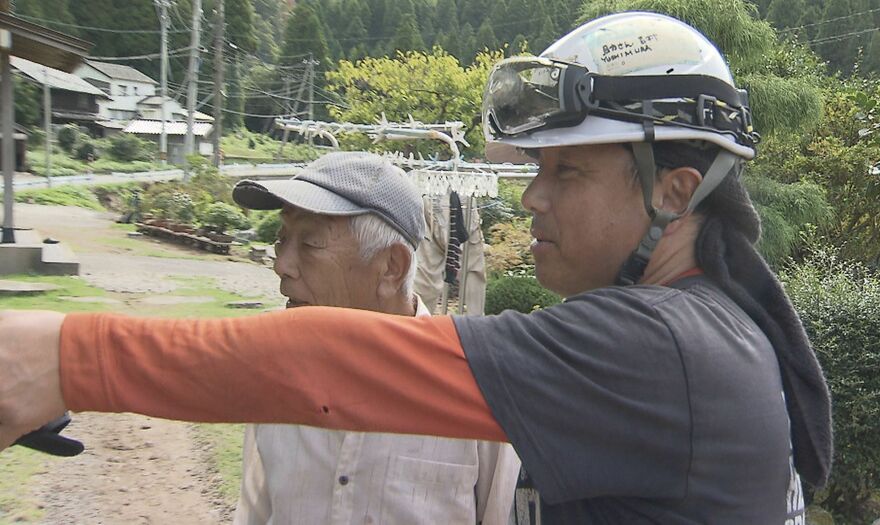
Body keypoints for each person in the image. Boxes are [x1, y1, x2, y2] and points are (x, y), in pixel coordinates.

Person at [0, 12, 832, 524]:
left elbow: (338, 361)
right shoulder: (712, 324)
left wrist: (66, 356)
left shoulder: (657, 349)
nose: (532, 200)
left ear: (674, 192)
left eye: (567, 172)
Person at [229, 152, 520, 524]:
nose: (281, 265)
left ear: (390, 268)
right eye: (281, 239)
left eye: (311, 244)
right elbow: (255, 513)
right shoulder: (279, 383)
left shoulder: (475, 391)